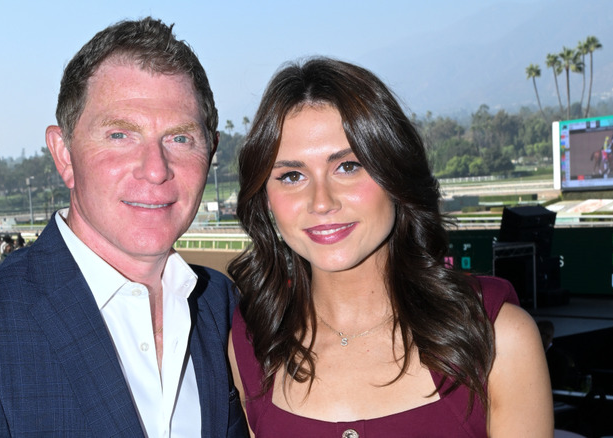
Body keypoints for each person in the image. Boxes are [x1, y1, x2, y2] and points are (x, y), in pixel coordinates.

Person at [0, 17, 248, 437]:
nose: (155, 170)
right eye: (119, 135)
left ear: (211, 151)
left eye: (180, 139)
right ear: (63, 155)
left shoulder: (219, 304)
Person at [227, 58, 553, 437]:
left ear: (395, 174)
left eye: (348, 167)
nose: (321, 201)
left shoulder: (498, 339)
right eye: (292, 176)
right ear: (265, 197)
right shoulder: (251, 343)